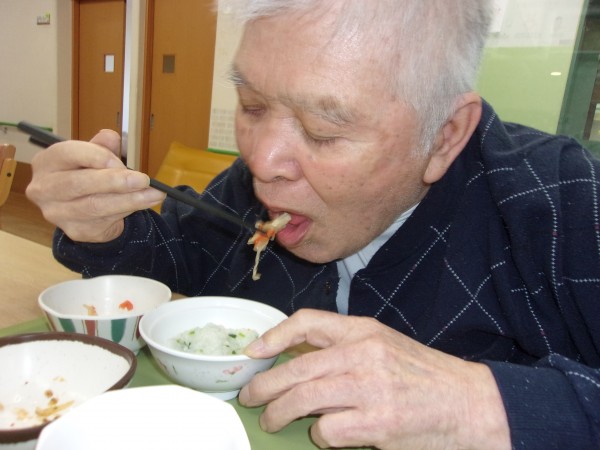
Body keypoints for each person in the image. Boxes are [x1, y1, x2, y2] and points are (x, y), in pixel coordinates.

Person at [26, 0, 600, 448]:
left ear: (444, 136)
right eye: (252, 106)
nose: (262, 162)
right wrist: (102, 229)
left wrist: (475, 405)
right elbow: (174, 257)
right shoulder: (252, 183)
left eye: (323, 131)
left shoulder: (562, 203)